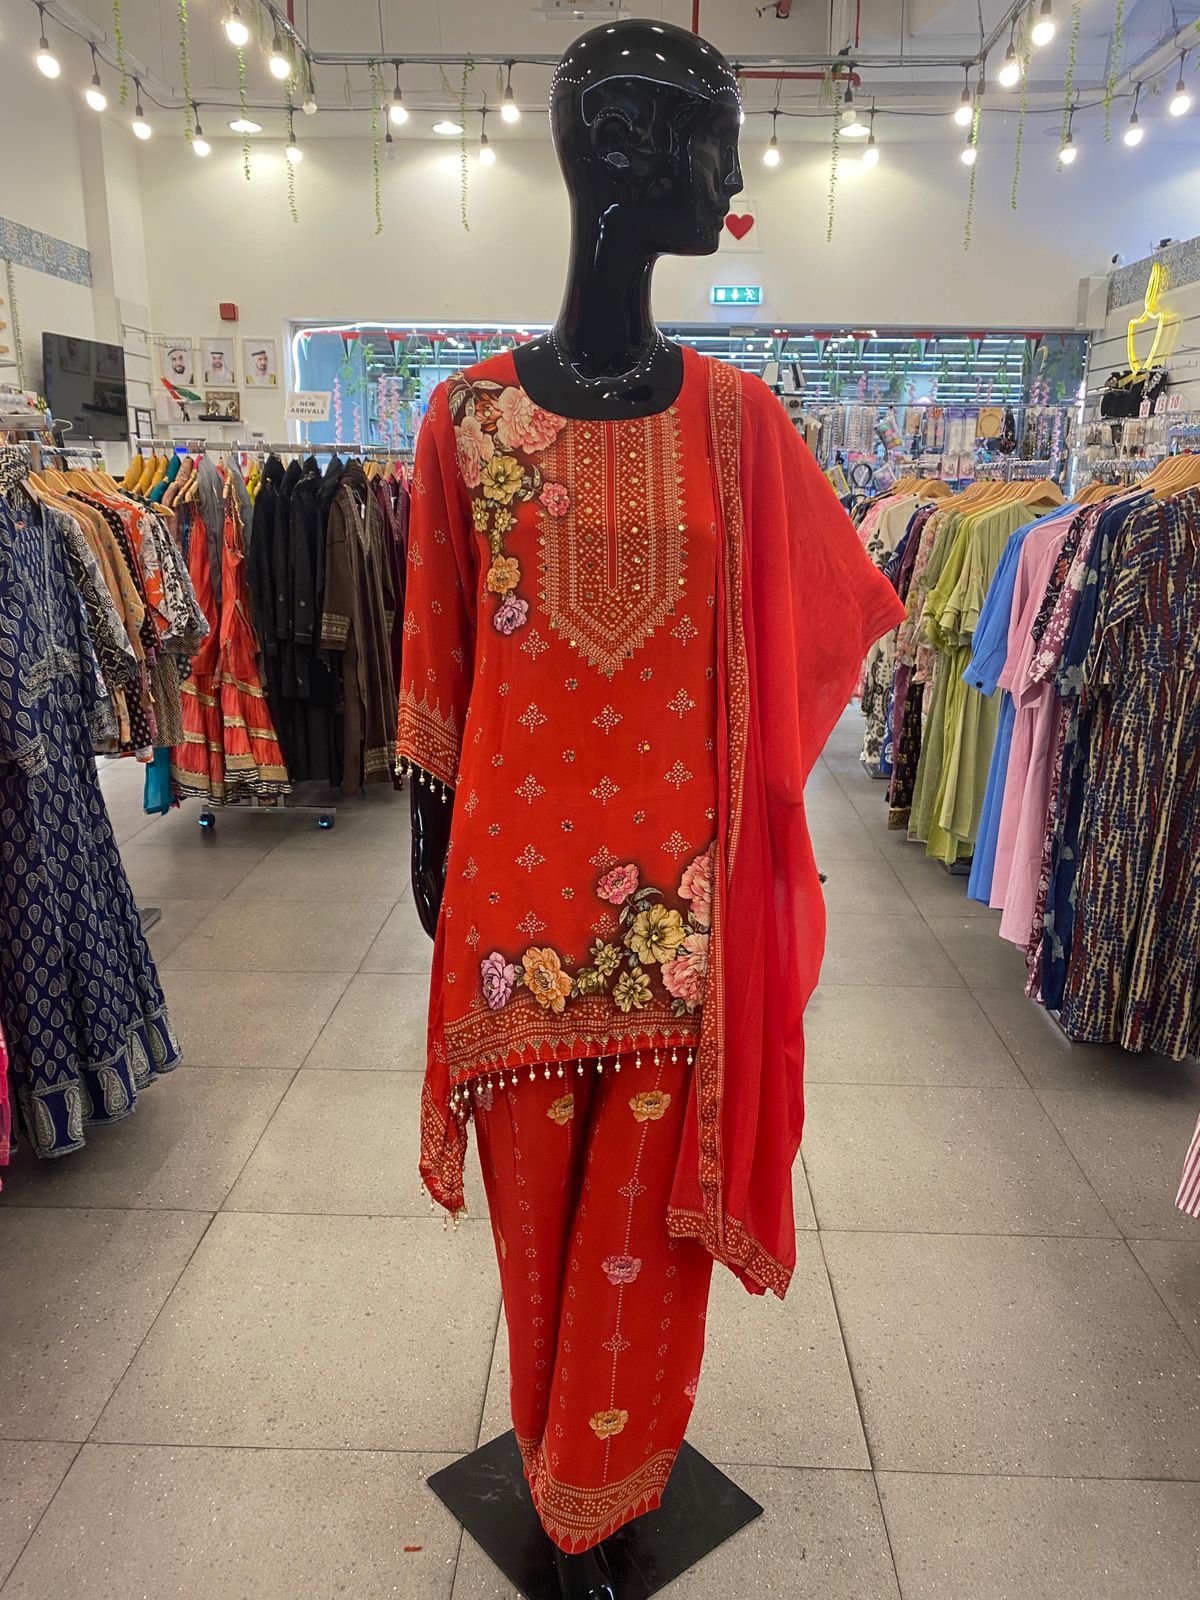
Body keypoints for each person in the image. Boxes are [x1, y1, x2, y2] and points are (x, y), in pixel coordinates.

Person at [398, 17, 904, 1596]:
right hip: (510, 918)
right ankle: (561, 1479)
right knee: (538, 1240)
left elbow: (827, 620)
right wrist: (433, 851)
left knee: (640, 1246)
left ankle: (602, 1496)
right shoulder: (463, 418)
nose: (736, 179)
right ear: (621, 151)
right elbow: (437, 671)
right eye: (716, 142)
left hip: (681, 926)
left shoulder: (741, 424)